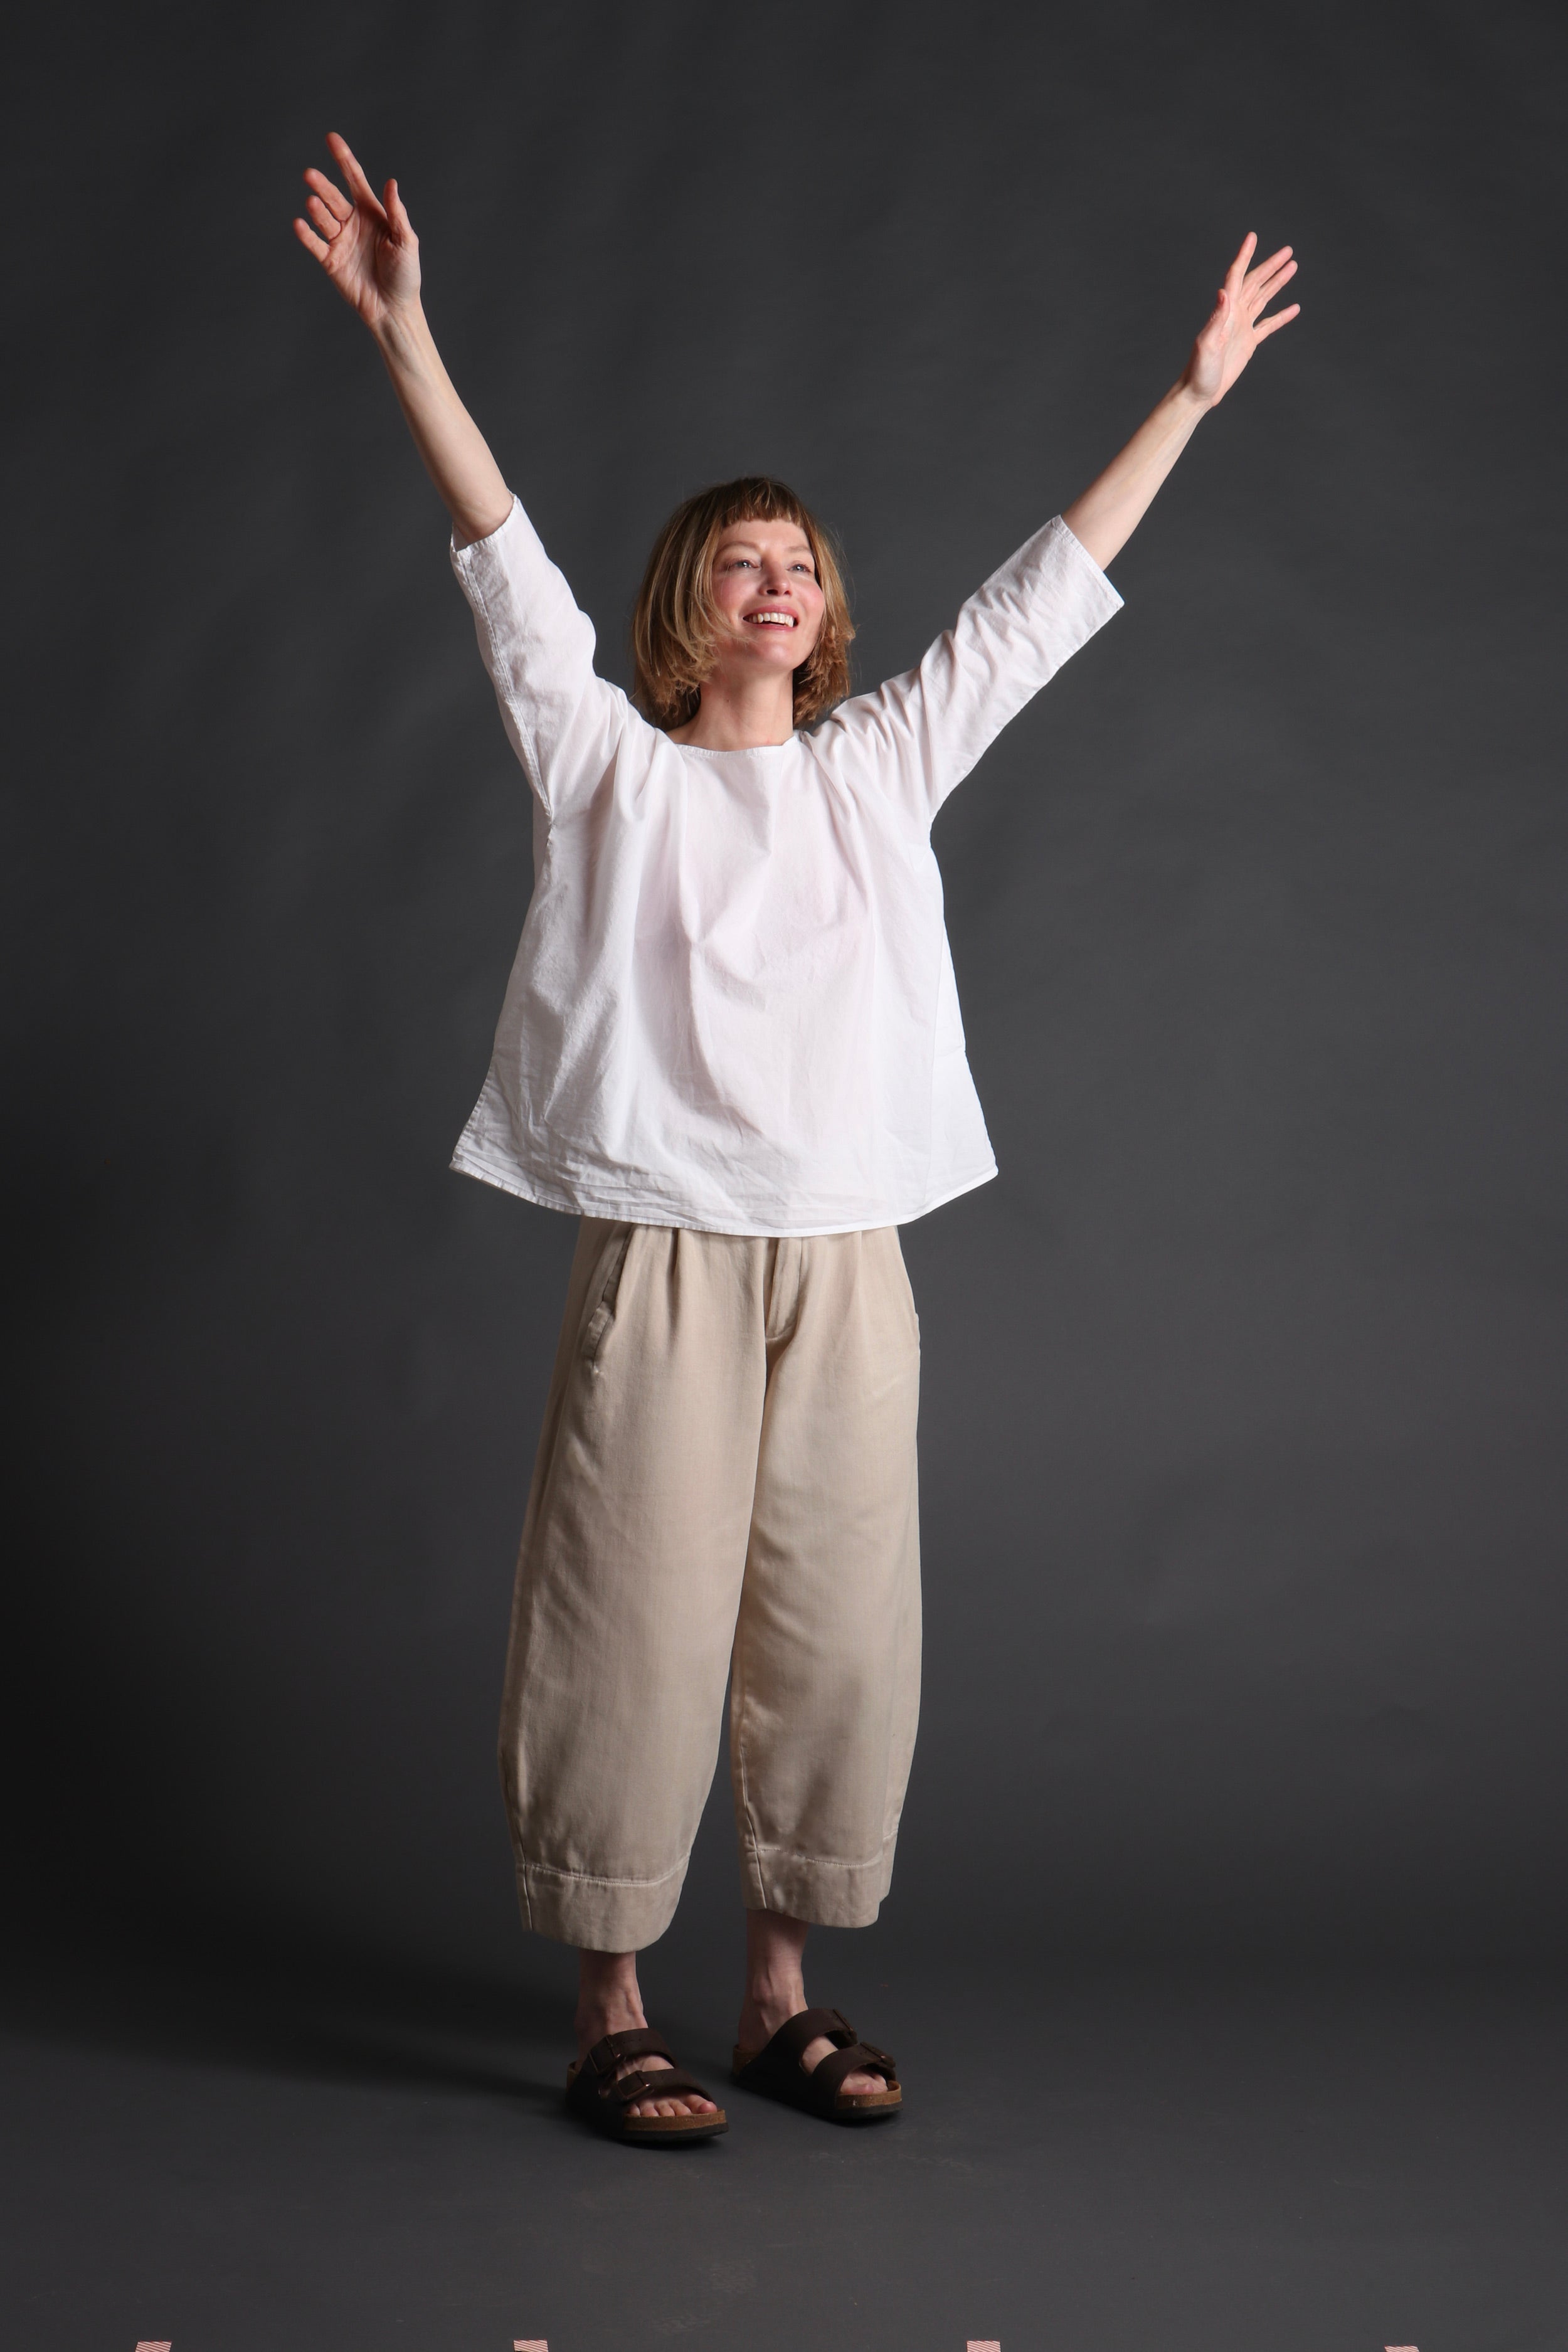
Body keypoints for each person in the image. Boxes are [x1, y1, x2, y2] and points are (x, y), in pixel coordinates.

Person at [294, 132, 1299, 2146]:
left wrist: (1185, 396)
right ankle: (610, 2006)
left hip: (847, 1247)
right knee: (627, 1608)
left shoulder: (875, 770)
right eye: (744, 559)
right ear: (688, 605)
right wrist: (410, 340)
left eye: (804, 561)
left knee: (837, 1626)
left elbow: (1043, 598)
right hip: (668, 1241)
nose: (782, 580)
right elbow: (503, 564)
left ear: (825, 613)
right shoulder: (606, 772)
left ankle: (776, 1998)